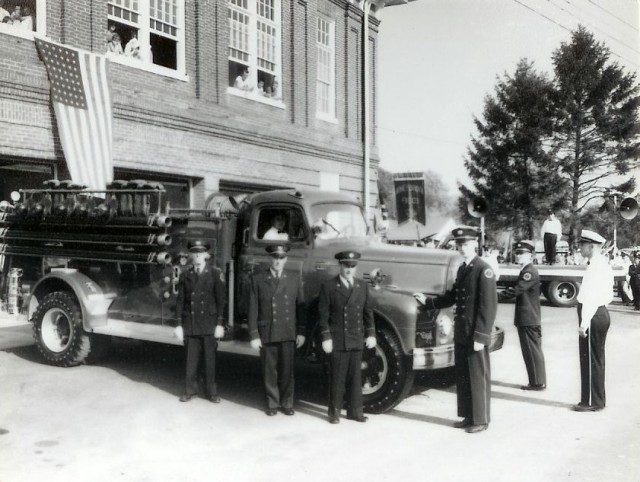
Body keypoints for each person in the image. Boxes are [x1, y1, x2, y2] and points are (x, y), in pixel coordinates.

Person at [414, 226, 497, 433]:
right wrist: (429, 303)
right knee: (464, 375)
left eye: (466, 244)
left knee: (477, 376)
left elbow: (488, 306)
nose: (462, 248)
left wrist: (481, 335)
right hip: (461, 331)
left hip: (474, 333)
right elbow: (452, 297)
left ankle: (481, 419)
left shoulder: (483, 269)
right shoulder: (463, 268)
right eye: (460, 244)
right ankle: (469, 416)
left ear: (475, 244)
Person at [318, 251, 376, 424]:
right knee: (337, 377)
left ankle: (355, 411)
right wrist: (326, 337)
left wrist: (371, 333)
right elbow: (323, 315)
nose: (349, 270)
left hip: (356, 338)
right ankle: (334, 412)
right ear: (340, 266)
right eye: (346, 265)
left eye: (352, 266)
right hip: (338, 339)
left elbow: (368, 312)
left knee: (355, 377)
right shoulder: (329, 286)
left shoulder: (362, 286)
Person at [248, 244, 306, 416]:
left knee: (287, 370)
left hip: (288, 331)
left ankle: (287, 402)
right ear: (269, 259)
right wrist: (254, 334)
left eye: (281, 258)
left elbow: (300, 307)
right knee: (269, 370)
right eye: (275, 257)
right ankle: (272, 403)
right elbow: (253, 308)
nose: (278, 261)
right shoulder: (257, 279)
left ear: (286, 259)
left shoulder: (294, 278)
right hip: (268, 331)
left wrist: (301, 331)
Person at [174, 240, 226, 403]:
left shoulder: (215, 273)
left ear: (206, 255)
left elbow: (221, 301)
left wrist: (219, 324)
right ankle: (190, 390)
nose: (197, 255)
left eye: (200, 252)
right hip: (191, 322)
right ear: (191, 255)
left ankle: (212, 392)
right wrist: (178, 324)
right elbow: (181, 301)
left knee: (209, 361)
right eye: (194, 252)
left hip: (209, 323)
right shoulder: (185, 275)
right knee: (191, 360)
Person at [573, 229, 613, 412]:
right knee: (596, 358)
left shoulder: (596, 266)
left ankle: (590, 401)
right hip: (599, 312)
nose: (580, 248)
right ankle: (597, 399)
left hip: (593, 313)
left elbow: (591, 297)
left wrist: (584, 323)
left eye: (582, 245)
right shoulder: (600, 264)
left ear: (591, 246)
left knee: (589, 359)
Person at [498, 240, 546, 390]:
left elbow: (516, 290)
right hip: (529, 317)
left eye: (522, 254)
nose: (518, 256)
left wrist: (493, 296)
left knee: (531, 351)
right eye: (517, 253)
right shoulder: (527, 270)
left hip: (528, 318)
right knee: (532, 350)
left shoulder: (529, 271)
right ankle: (537, 381)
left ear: (530, 256)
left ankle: (537, 383)